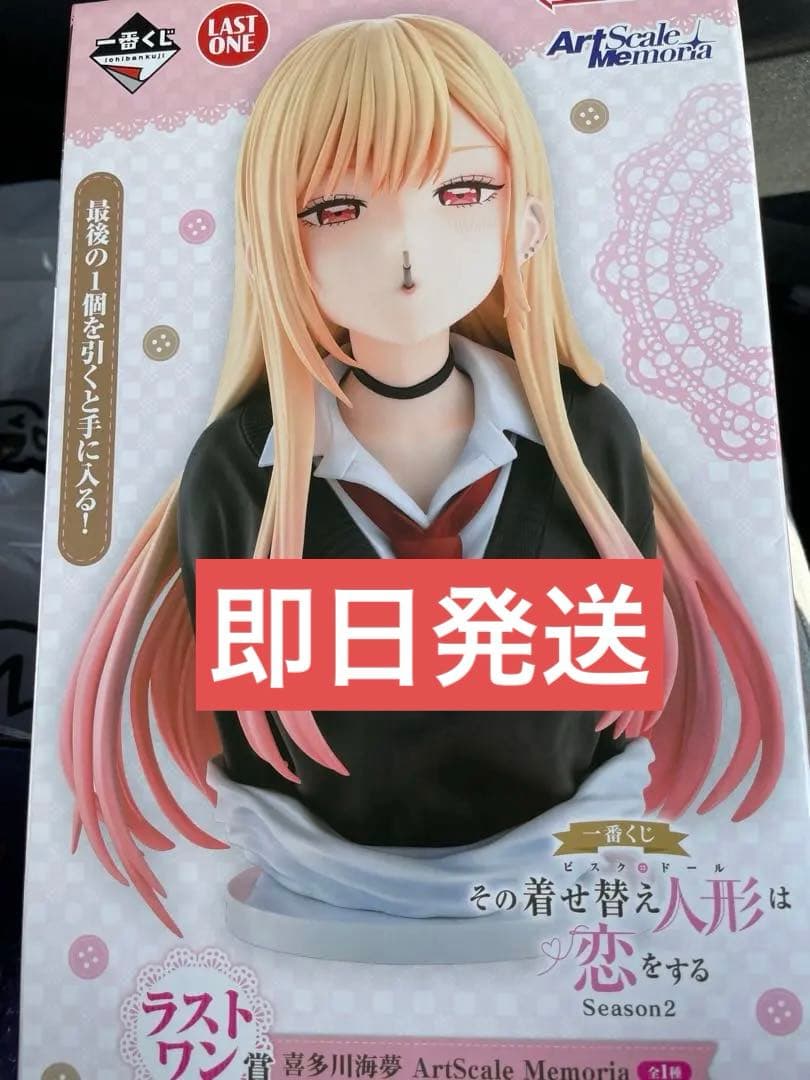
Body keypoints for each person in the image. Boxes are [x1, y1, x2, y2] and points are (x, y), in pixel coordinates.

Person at [60, 14, 783, 937]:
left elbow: (617, 681)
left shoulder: (585, 434)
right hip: (312, 880)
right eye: (337, 209)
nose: (406, 245)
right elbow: (245, 707)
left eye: (462, 190)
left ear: (526, 220)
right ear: (272, 238)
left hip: (562, 866)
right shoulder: (241, 462)